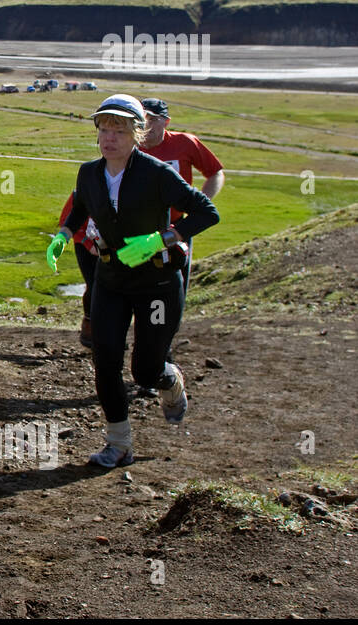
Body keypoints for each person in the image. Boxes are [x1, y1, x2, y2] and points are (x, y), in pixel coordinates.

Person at [47, 94, 219, 469]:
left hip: (156, 285)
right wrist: (63, 235)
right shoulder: (89, 173)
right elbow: (80, 208)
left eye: (119, 131)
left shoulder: (157, 174)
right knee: (105, 360)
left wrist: (163, 238)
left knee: (145, 370)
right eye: (104, 130)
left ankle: (170, 381)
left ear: (137, 134)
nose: (109, 138)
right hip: (111, 280)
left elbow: (207, 212)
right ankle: (119, 443)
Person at [139, 98, 225, 294]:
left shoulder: (184, 143)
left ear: (166, 121)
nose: (146, 125)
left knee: (175, 283)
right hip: (138, 229)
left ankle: (171, 321)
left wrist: (201, 204)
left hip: (177, 227)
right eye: (142, 119)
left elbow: (215, 173)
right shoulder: (128, 146)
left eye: (152, 119)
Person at [57, 191, 100, 348]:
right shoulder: (83, 190)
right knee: (94, 285)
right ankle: (89, 325)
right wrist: (88, 244)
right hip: (85, 245)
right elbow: (67, 221)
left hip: (113, 246)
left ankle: (112, 330)